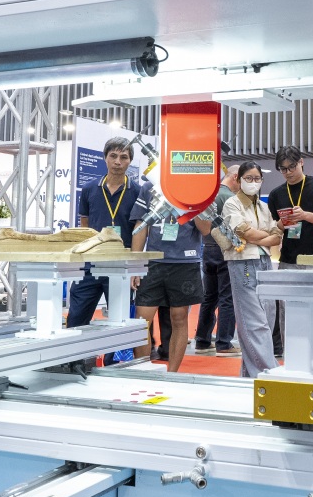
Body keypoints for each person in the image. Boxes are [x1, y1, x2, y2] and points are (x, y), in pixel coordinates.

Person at [129, 183, 212, 372]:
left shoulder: (198, 188)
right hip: (153, 261)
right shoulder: (150, 186)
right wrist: (136, 264)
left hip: (185, 262)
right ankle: (142, 371)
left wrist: (196, 199)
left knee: (179, 318)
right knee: (141, 320)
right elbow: (141, 224)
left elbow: (205, 229)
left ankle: (172, 374)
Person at [267, 145, 313, 351]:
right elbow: (274, 227)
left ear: (301, 162)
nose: (288, 172)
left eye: (292, 167)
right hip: (289, 261)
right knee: (288, 312)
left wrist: (305, 215)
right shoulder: (276, 194)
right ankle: (292, 355)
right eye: (283, 169)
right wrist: (283, 223)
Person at [67, 137, 142, 329]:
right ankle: (76, 350)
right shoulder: (89, 189)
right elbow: (84, 226)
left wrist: (135, 268)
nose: (118, 162)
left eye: (123, 157)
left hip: (121, 264)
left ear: (130, 161)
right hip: (91, 263)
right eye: (113, 156)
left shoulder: (137, 191)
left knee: (120, 320)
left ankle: (115, 351)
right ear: (105, 158)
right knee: (76, 318)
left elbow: (139, 230)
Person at [222, 162, 283, 377]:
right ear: (238, 180)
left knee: (267, 317)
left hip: (265, 261)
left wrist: (257, 237)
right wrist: (263, 237)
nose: (253, 182)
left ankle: (250, 376)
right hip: (243, 263)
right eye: (248, 178)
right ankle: (269, 372)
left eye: (257, 178)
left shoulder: (263, 207)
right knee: (254, 323)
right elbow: (245, 233)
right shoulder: (232, 204)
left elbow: (276, 236)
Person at [195, 165, 240, 356]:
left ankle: (202, 340)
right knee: (227, 297)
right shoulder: (230, 198)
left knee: (209, 297)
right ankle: (224, 343)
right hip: (224, 250)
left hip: (207, 248)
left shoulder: (209, 194)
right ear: (235, 177)